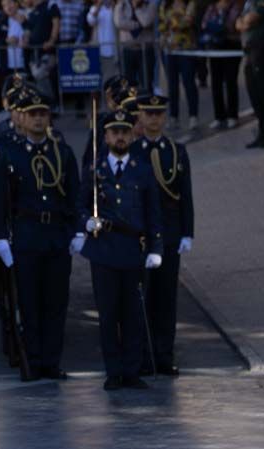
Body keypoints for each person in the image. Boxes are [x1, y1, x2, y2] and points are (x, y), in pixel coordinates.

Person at [0, 89, 80, 381]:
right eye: (33, 114)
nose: (39, 119)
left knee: (56, 302)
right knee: (29, 302)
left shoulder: (60, 152)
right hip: (26, 234)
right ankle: (33, 359)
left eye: (43, 114)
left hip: (55, 234)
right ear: (22, 118)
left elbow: (74, 196)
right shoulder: (8, 153)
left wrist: (76, 231)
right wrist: (1, 236)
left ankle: (51, 361)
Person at [74, 109, 164, 390]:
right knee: (109, 314)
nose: (121, 137)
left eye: (125, 131)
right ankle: (113, 370)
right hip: (103, 249)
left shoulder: (142, 169)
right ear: (106, 136)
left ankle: (132, 369)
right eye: (115, 132)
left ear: (131, 134)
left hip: (132, 249)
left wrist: (155, 247)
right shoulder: (95, 170)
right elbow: (78, 206)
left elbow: (153, 213)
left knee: (134, 314)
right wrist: (85, 222)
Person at [133, 94, 193, 375]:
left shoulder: (176, 151)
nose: (154, 118)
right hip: (141, 236)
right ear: (141, 118)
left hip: (168, 234)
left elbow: (185, 196)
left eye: (159, 113)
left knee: (167, 299)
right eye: (149, 113)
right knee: (143, 298)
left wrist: (187, 232)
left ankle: (164, 355)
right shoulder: (133, 152)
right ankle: (144, 357)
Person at [236, 0, 264, 147]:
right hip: (250, 48)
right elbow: (238, 22)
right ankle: (262, 131)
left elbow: (252, 17)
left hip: (263, 46)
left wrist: (246, 22)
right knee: (254, 91)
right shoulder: (250, 2)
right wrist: (244, 22)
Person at [200, 0, 242, 130]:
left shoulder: (236, 5)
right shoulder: (212, 6)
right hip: (215, 45)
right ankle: (219, 116)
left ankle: (232, 116)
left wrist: (220, 19)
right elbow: (204, 23)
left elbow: (231, 25)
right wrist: (215, 25)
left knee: (230, 81)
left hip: (231, 45)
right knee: (216, 82)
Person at [157, 0, 199, 130]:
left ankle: (193, 116)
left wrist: (173, 21)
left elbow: (187, 22)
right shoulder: (165, 4)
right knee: (172, 85)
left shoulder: (190, 4)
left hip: (186, 49)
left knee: (188, 82)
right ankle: (174, 117)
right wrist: (177, 18)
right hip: (170, 50)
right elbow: (162, 25)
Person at [115, 0, 157, 93]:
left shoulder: (150, 5)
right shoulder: (122, 5)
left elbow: (145, 22)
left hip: (145, 50)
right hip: (127, 50)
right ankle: (130, 106)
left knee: (146, 83)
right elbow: (119, 23)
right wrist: (137, 25)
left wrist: (136, 8)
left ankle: (146, 106)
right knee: (127, 84)